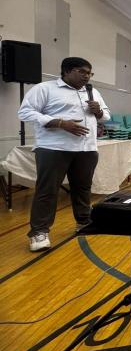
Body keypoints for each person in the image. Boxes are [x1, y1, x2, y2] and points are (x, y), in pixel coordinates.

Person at [18, 57, 111, 252]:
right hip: (54, 148)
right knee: (47, 191)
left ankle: (83, 222)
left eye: (89, 73)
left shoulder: (93, 92)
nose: (86, 76)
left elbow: (106, 116)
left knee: (82, 189)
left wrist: (99, 112)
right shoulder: (45, 89)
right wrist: (59, 123)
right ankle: (39, 232)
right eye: (82, 71)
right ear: (66, 71)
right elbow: (25, 112)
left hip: (86, 149)